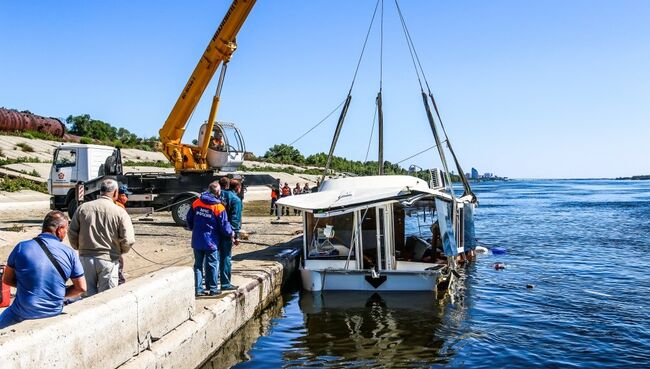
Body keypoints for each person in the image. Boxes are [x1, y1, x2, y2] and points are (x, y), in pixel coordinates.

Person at [0, 211, 86, 329]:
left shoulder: (21, 247)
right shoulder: (69, 253)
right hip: (53, 312)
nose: (65, 233)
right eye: (66, 229)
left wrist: (30, 288)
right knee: (77, 300)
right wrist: (56, 294)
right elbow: (81, 288)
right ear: (59, 229)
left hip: (22, 312)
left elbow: (7, 280)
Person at [68, 178, 135, 296]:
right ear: (115, 192)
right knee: (106, 299)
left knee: (87, 298)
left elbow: (72, 232)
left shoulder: (83, 208)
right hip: (108, 260)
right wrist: (120, 251)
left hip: (85, 259)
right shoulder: (120, 212)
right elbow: (128, 240)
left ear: (100, 191)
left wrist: (79, 247)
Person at [186, 181, 235, 296]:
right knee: (212, 263)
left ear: (208, 189)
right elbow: (224, 226)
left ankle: (198, 289)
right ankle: (213, 289)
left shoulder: (197, 202)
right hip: (211, 241)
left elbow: (189, 218)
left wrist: (194, 228)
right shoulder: (218, 207)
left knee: (198, 265)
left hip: (197, 239)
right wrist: (231, 233)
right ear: (218, 192)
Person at [219, 179, 242, 291]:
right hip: (227, 232)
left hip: (215, 230)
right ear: (238, 188)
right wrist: (236, 235)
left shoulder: (219, 194)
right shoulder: (236, 200)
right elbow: (235, 220)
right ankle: (225, 283)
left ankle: (211, 282)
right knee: (226, 257)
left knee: (213, 257)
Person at [114, 184, 132, 285]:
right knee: (118, 262)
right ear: (120, 195)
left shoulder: (116, 204)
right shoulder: (119, 207)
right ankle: (119, 281)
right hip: (115, 243)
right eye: (125, 195)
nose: (127, 198)